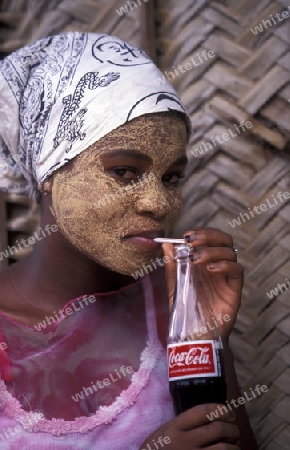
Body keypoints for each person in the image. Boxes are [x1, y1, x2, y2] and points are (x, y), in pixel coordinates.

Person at [0, 32, 258, 449]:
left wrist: (205, 338)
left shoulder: (178, 311)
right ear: (49, 171)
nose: (158, 202)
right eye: (124, 171)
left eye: (171, 177)